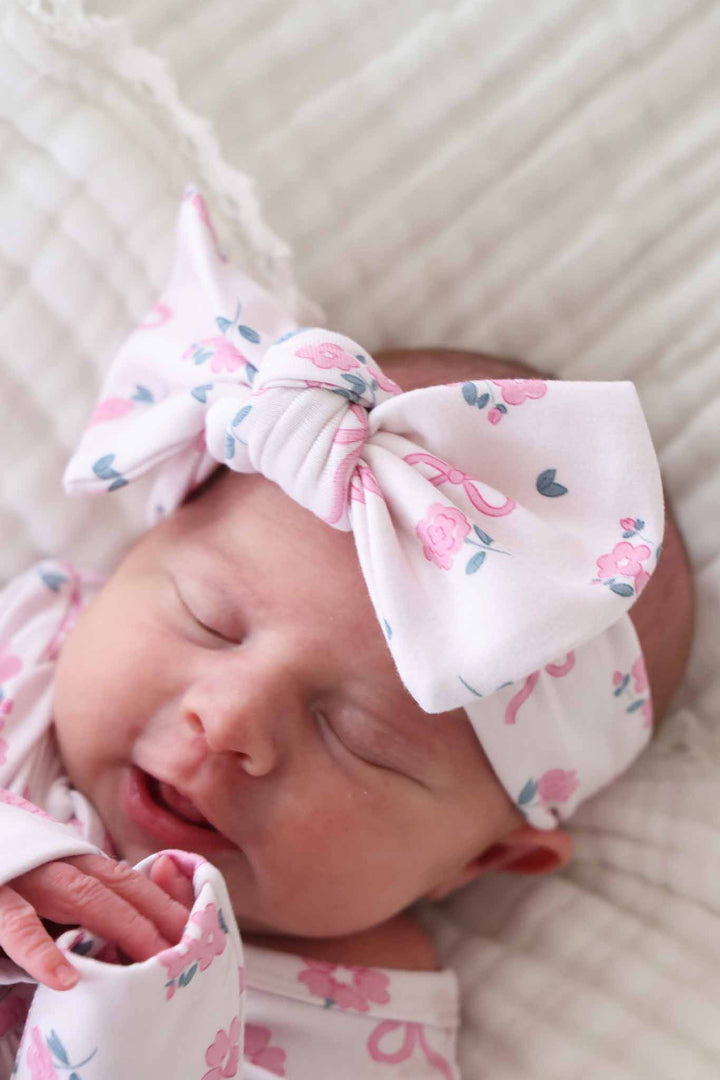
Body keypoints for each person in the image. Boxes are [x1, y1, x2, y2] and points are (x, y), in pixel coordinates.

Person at [0, 190, 694, 1079]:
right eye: (207, 619)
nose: (230, 719)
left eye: (358, 739)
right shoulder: (31, 649)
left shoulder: (365, 1035)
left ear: (479, 860)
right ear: (140, 550)